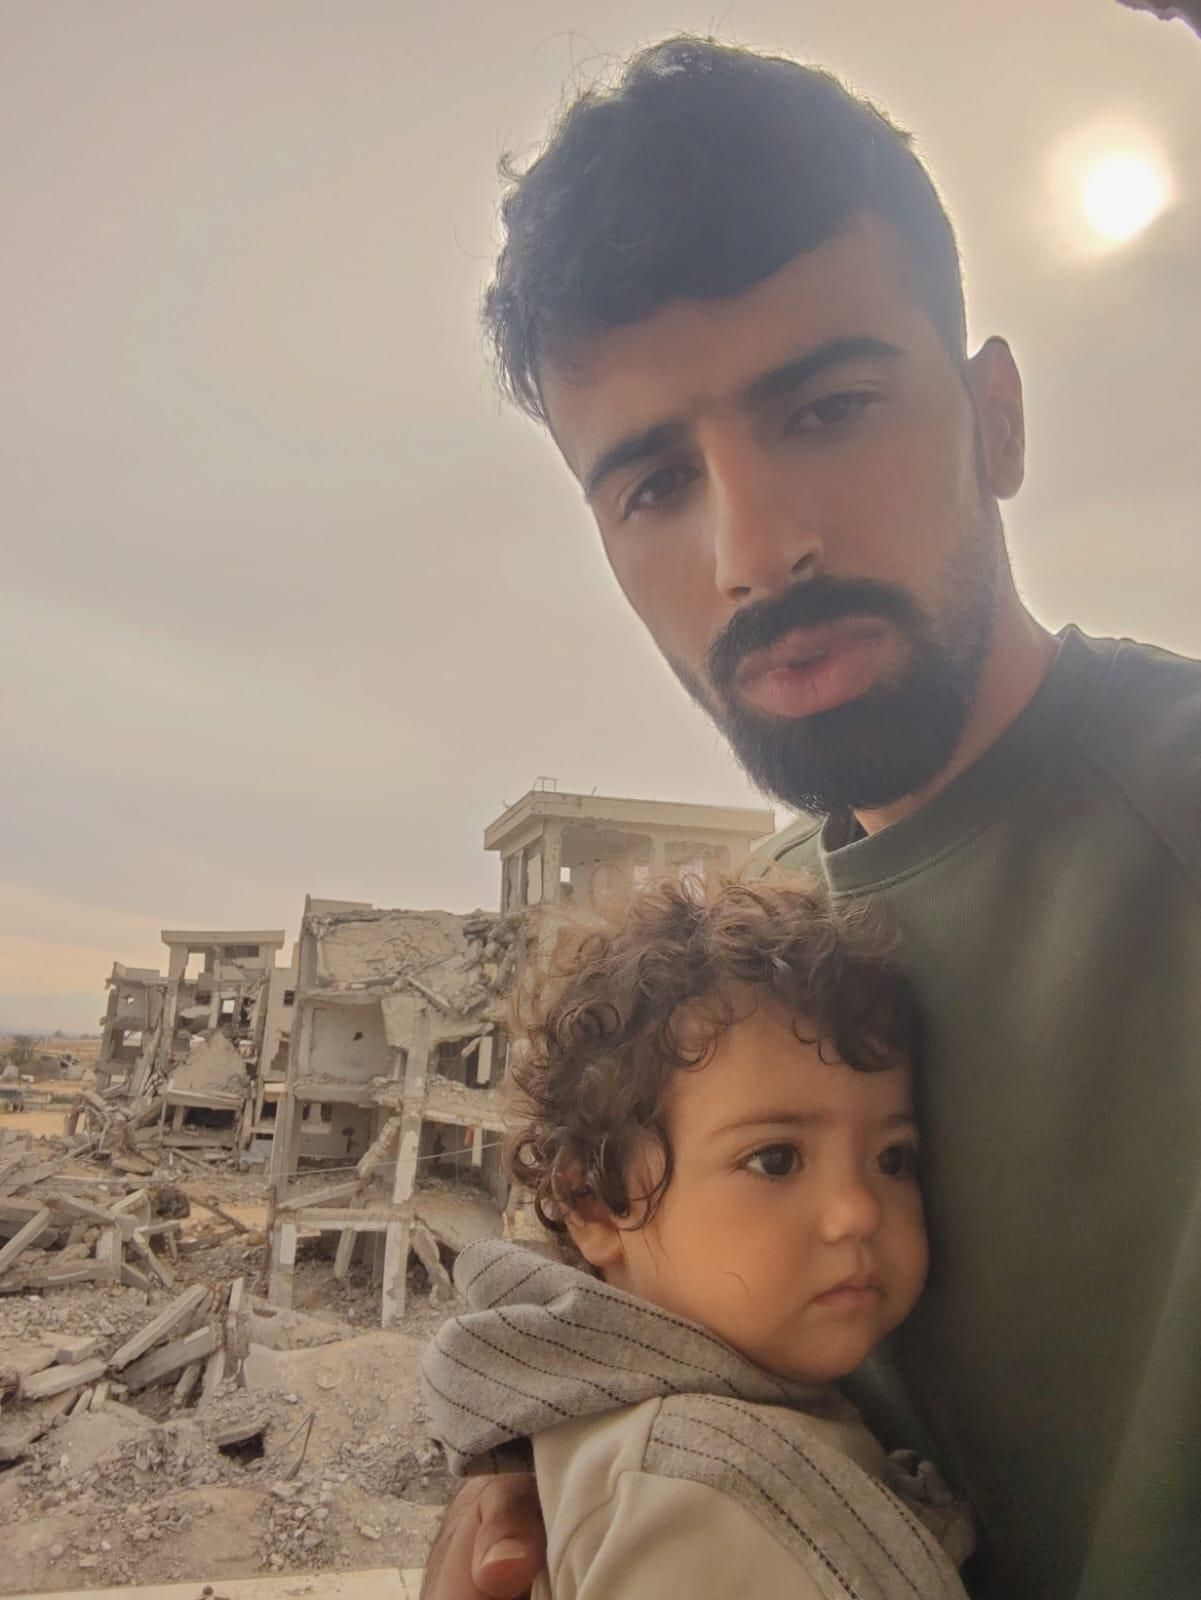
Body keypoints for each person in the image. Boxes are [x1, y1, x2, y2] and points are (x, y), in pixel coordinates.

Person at [424, 36, 1201, 1600]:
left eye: (829, 409)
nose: (752, 550)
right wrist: (519, 1467)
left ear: (995, 419)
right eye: (654, 486)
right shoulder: (750, 950)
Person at [424, 878, 974, 1599]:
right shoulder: (698, 1501)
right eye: (775, 1160)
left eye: (892, 1159)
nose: (858, 1212)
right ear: (595, 1204)